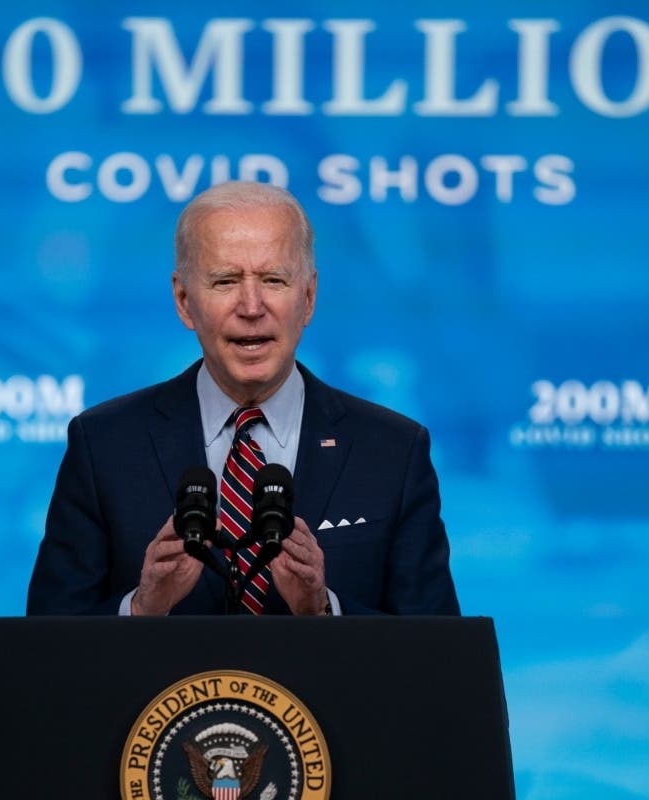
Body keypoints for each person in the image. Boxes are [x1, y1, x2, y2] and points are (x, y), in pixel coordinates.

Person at [26, 181, 459, 616]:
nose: (251, 307)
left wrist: (323, 612)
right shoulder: (104, 445)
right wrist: (141, 611)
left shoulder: (392, 451)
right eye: (225, 281)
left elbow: (440, 659)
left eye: (274, 279)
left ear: (308, 298)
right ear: (183, 300)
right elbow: (42, 654)